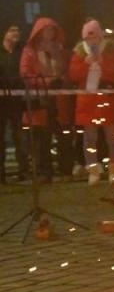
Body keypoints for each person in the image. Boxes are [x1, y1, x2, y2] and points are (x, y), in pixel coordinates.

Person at [68, 19, 114, 183]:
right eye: (88, 38)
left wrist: (102, 63)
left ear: (100, 36)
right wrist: (86, 65)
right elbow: (73, 75)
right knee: (89, 138)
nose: (91, 41)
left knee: (112, 137)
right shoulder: (79, 53)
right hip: (88, 101)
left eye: (94, 37)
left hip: (108, 100)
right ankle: (93, 170)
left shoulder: (112, 50)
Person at [19, 17, 74, 182]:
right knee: (42, 140)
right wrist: (48, 81)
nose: (49, 33)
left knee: (64, 137)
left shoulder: (61, 50)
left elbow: (70, 71)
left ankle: (66, 170)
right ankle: (45, 172)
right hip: (41, 101)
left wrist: (63, 80)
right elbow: (25, 74)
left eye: (52, 30)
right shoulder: (30, 51)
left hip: (60, 101)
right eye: (46, 30)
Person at [1, 23, 27, 183]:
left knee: (21, 137)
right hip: (1, 102)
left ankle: (23, 171)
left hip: (18, 102)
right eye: (12, 30)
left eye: (18, 30)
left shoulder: (22, 52)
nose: (16, 33)